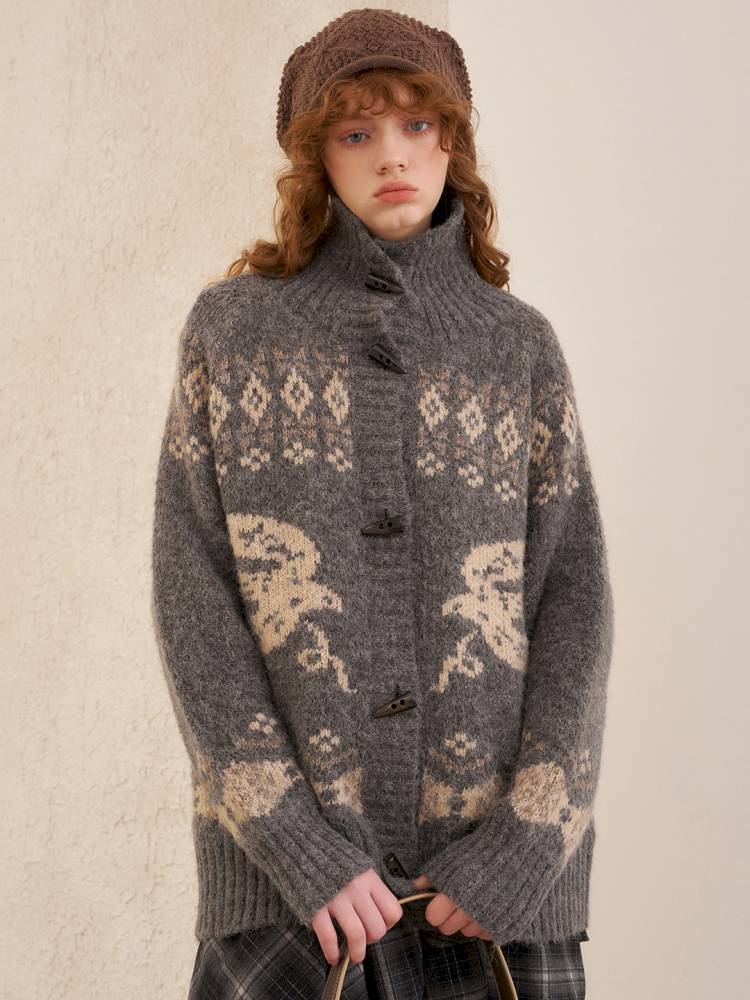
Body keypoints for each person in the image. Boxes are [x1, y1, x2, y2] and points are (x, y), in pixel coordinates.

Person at [150, 9, 613, 999]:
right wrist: (297, 845)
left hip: (491, 901)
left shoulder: (519, 348)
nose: (391, 155)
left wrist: (526, 848)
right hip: (296, 902)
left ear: (454, 140)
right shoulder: (231, 334)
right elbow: (193, 602)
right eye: (356, 131)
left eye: (417, 124)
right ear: (317, 156)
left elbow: (575, 606)